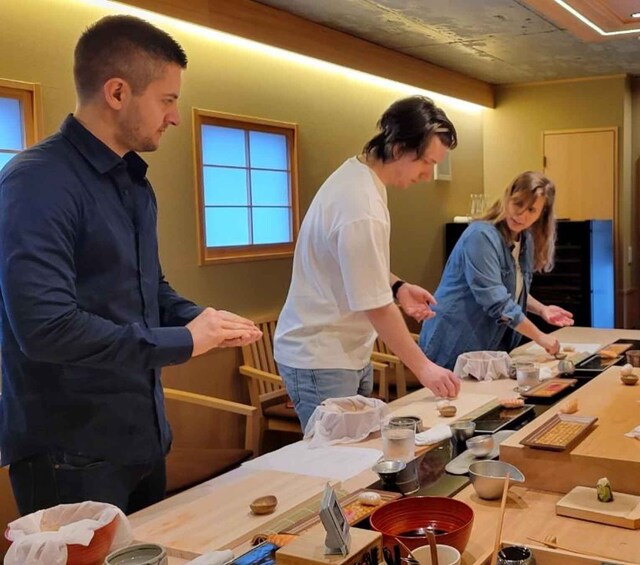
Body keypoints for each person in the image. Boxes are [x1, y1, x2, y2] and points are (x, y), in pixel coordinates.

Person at [0, 15, 262, 516]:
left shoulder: (133, 183)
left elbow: (148, 290)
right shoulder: (38, 181)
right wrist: (185, 341)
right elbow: (46, 328)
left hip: (139, 435)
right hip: (68, 452)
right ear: (117, 92)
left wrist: (201, 319)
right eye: (167, 100)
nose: (175, 117)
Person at [274, 96, 462, 429]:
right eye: (426, 163)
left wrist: (399, 287)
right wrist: (425, 368)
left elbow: (354, 261)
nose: (427, 175)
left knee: (358, 456)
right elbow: (376, 306)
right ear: (400, 147)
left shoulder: (360, 177)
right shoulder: (360, 204)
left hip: (345, 351)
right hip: (322, 355)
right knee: (336, 463)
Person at [419, 171, 574, 370]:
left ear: (541, 215)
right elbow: (497, 301)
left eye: (532, 210)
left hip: (487, 346)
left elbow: (511, 292)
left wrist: (541, 309)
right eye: (518, 203)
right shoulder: (481, 236)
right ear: (508, 197)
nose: (522, 215)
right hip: (453, 341)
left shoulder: (524, 240)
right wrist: (541, 337)